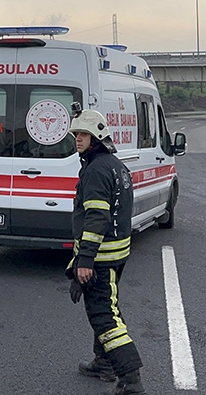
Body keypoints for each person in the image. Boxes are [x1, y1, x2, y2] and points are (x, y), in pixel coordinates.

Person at [67, 108, 145, 395]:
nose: (78, 139)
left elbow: (97, 217)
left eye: (83, 134)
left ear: (97, 137)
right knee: (107, 308)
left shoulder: (96, 170)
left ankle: (131, 378)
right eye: (76, 134)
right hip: (116, 253)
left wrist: (85, 260)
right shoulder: (114, 165)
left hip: (101, 258)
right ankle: (103, 363)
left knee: (104, 316)